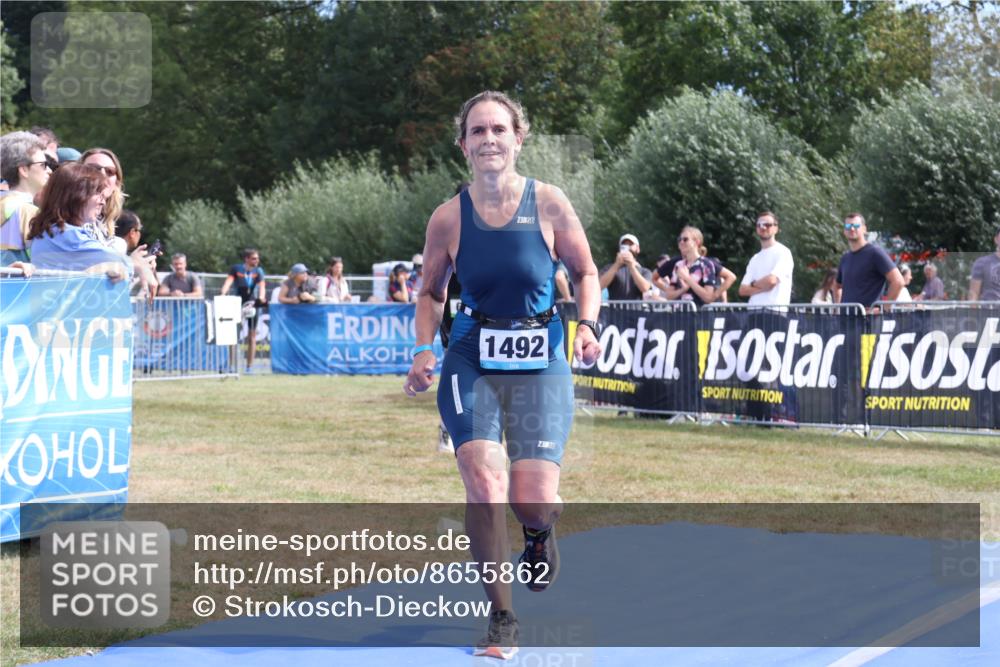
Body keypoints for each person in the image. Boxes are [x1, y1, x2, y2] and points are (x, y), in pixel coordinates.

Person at [403, 91, 601, 659]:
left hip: (541, 354)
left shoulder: (550, 203)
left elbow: (586, 271)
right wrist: (422, 348)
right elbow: (430, 293)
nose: (489, 138)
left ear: (519, 137)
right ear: (462, 145)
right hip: (470, 354)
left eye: (499, 129)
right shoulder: (447, 217)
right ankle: (502, 615)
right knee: (483, 483)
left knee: (529, 496)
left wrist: (587, 325)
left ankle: (539, 531)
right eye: (477, 131)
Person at [25, 163, 132, 279]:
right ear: (75, 196)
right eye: (97, 194)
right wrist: (137, 264)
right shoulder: (66, 235)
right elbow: (121, 261)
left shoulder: (52, 231)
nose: (103, 202)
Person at [834, 213, 903, 311]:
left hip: (869, 321)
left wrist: (884, 308)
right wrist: (837, 307)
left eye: (856, 225)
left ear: (864, 229)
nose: (852, 229)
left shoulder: (875, 253)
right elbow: (837, 285)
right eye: (848, 226)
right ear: (844, 231)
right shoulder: (845, 258)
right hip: (847, 321)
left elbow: (898, 281)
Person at [0, 131, 51, 264]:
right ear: (24, 170)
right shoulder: (30, 213)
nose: (49, 170)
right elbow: (46, 265)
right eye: (43, 165)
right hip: (20, 285)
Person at [220, 248, 267, 372]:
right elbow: (228, 282)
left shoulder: (259, 271)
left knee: (252, 336)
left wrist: (261, 297)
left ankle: (249, 367)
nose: (257, 260)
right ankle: (231, 365)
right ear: (246, 259)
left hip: (252, 304)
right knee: (233, 336)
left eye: (257, 258)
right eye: (254, 258)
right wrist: (223, 293)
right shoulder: (236, 269)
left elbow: (262, 286)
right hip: (237, 304)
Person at [653, 226, 724, 306]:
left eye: (685, 239)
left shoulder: (706, 264)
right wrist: (683, 289)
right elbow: (669, 296)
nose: (681, 242)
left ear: (696, 242)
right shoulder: (678, 265)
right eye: (679, 239)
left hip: (699, 315)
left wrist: (687, 278)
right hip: (680, 314)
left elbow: (708, 297)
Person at [737, 211, 794, 306]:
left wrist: (753, 285)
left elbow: (771, 281)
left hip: (775, 311)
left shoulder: (783, 252)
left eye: (767, 225)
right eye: (759, 224)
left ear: (776, 228)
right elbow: (742, 290)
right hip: (753, 311)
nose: (763, 227)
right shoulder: (755, 258)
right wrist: (764, 286)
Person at [80, 148, 126, 245]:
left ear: (116, 183)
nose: (102, 174)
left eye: (110, 171)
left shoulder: (105, 223)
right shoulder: (68, 218)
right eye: (92, 169)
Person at [598, 233, 653, 300]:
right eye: (624, 245)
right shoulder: (610, 268)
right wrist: (616, 265)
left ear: (638, 249)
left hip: (636, 310)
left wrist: (632, 267)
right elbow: (599, 286)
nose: (628, 247)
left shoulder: (644, 271)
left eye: (630, 244)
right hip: (614, 310)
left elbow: (645, 288)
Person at [968, 227, 1000, 301]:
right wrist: (973, 312)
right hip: (988, 310)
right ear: (996, 239)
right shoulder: (982, 263)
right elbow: (974, 293)